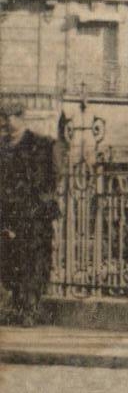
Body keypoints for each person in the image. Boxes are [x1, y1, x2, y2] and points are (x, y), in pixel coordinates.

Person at [0, 102, 60, 325]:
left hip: (33, 214)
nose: (6, 122)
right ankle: (16, 306)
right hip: (7, 214)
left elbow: (48, 180)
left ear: (21, 118)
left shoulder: (38, 145)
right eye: (3, 118)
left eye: (10, 117)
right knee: (8, 260)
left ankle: (30, 309)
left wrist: (42, 208)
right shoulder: (2, 146)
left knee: (33, 260)